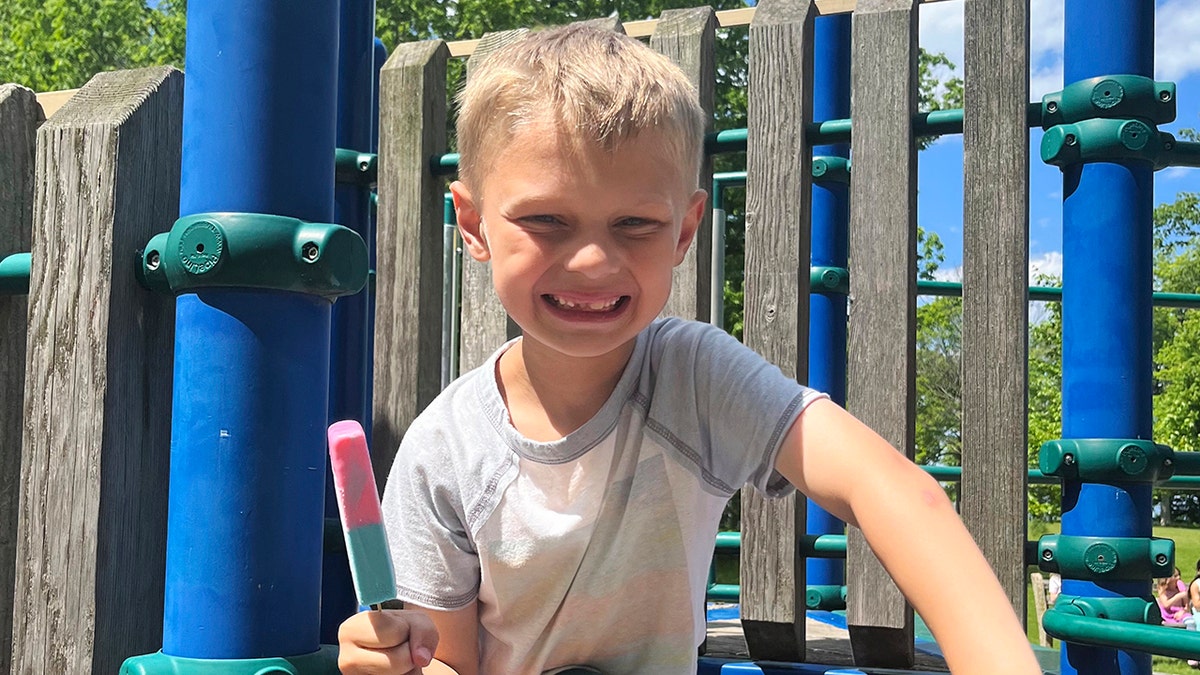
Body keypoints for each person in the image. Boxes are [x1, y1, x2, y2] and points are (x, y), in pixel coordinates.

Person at [336, 24, 1040, 675]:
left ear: (684, 230)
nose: (591, 261)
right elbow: (449, 661)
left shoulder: (695, 378)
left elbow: (890, 490)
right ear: (473, 222)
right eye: (547, 220)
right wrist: (397, 661)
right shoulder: (443, 454)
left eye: (635, 224)